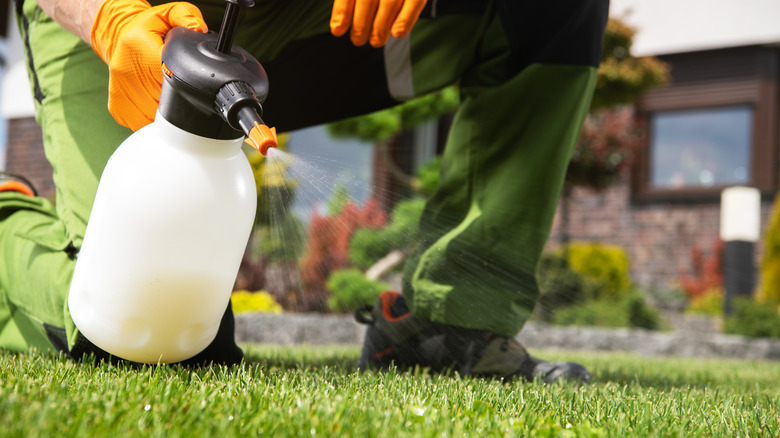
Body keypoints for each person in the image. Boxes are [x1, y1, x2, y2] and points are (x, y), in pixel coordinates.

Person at [1, 0, 608, 381]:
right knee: (139, 334)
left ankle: (452, 323)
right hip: (133, 24)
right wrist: (106, 18)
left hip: (319, 21)